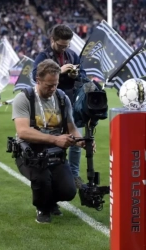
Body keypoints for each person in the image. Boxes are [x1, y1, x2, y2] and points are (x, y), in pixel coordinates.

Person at [12, 59, 93, 223]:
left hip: (54, 152)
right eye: (49, 85)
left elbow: (71, 128)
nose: (53, 89)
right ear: (38, 80)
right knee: (42, 180)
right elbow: (23, 131)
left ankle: (51, 200)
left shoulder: (62, 98)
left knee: (69, 191)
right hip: (29, 152)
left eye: (55, 84)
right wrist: (55, 139)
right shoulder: (24, 98)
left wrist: (81, 141)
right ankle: (43, 207)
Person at [32, 24, 87, 188]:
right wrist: (59, 71)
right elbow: (35, 75)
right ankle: (52, 176)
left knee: (76, 140)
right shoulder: (43, 56)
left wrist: (76, 74)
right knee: (53, 142)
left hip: (71, 101)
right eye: (61, 45)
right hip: (50, 104)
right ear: (52, 40)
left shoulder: (72, 55)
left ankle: (74, 175)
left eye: (66, 45)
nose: (64, 48)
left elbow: (82, 75)